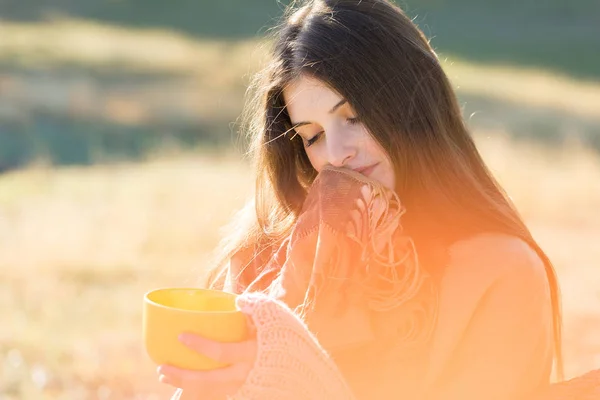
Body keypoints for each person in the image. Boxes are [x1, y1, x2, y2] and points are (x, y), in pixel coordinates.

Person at [156, 0, 564, 398]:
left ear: (413, 104)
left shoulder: (502, 270)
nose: (336, 154)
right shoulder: (265, 256)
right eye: (312, 136)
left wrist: (292, 371)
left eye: (353, 117)